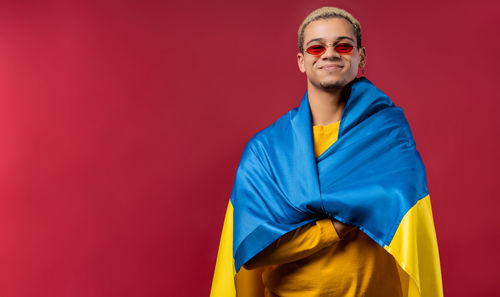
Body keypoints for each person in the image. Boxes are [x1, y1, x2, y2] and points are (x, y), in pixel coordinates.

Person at [210, 6, 443, 297]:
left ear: (361, 57)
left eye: (343, 45)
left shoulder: (389, 135)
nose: (329, 53)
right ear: (302, 61)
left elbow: (407, 218)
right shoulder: (266, 151)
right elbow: (252, 249)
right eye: (317, 47)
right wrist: (335, 225)